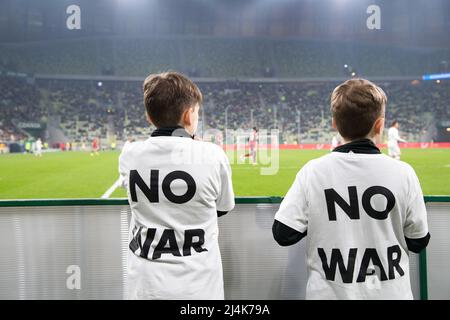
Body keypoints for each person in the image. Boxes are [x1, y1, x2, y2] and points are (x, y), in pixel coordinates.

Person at [272, 79, 430, 300]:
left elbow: (283, 233)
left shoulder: (313, 172)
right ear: (379, 125)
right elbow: (418, 240)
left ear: (334, 123)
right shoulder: (404, 173)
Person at [119, 72, 235, 300]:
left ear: (149, 117)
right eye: (197, 113)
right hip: (199, 287)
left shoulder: (130, 154)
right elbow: (223, 207)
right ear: (189, 116)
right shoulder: (212, 155)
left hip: (144, 286)